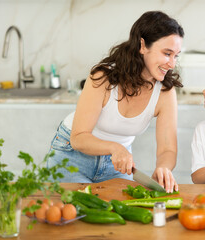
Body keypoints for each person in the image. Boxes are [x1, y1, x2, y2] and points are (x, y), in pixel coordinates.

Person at [47, 11, 184, 193]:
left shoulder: (165, 92)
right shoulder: (104, 77)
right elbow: (78, 138)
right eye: (167, 53)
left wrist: (163, 168)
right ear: (143, 45)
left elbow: (168, 149)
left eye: (176, 56)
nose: (172, 64)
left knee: (122, 218)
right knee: (74, 216)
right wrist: (114, 147)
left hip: (117, 164)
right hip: (72, 155)